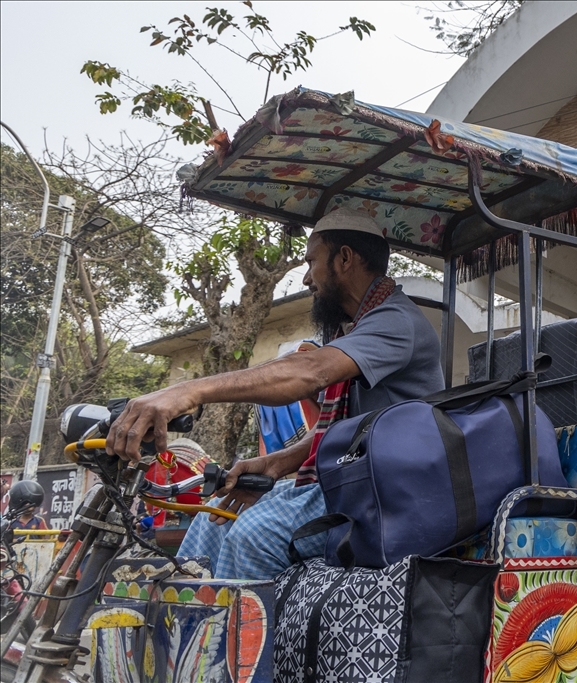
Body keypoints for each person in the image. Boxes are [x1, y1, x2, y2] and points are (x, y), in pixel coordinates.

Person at [106, 208, 444, 580]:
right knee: (215, 516)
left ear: (345, 258)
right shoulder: (356, 328)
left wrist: (189, 392)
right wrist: (276, 463)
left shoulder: (396, 321)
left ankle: (237, 621)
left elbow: (308, 372)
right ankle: (189, 614)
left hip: (389, 495)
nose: (307, 278)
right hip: (353, 483)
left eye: (312, 262)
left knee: (255, 536)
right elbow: (349, 435)